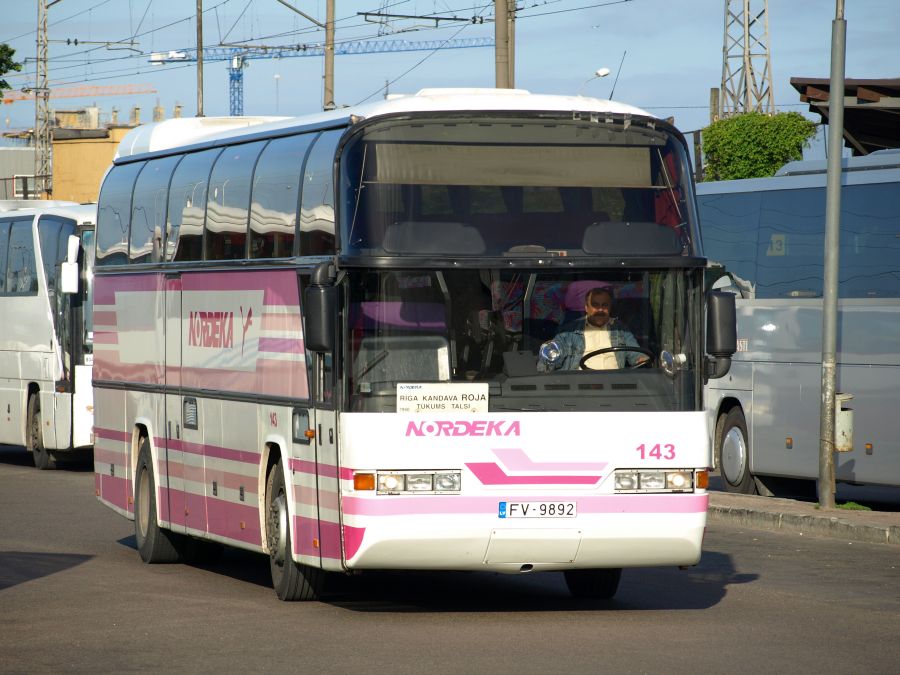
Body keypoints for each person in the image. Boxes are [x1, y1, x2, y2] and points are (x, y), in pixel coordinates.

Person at [537, 286, 648, 371]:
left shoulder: (621, 330)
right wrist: (549, 360)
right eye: (595, 305)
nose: (600, 310)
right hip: (579, 386)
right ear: (586, 307)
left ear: (610, 308)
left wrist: (641, 360)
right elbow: (550, 359)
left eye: (605, 305)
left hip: (614, 386)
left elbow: (636, 355)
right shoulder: (568, 331)